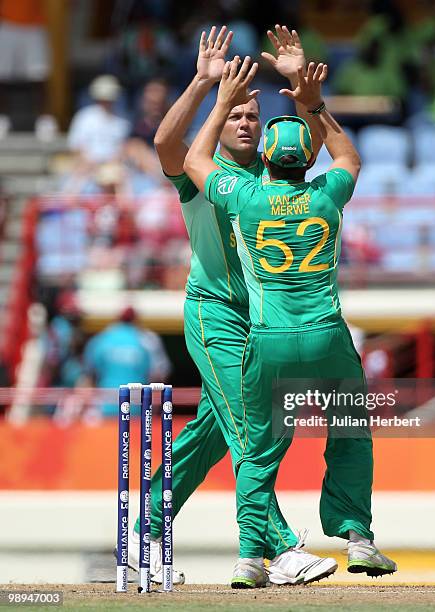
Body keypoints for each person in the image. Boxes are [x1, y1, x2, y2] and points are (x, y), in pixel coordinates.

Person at [128, 25, 336, 587]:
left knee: (215, 431)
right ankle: (283, 548)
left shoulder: (276, 174)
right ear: (220, 128)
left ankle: (144, 516)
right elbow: (167, 146)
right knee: (251, 429)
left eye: (253, 117)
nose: (245, 123)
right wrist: (204, 84)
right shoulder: (203, 174)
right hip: (214, 312)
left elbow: (318, 146)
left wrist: (300, 85)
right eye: (236, 116)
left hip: (265, 323)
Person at [184, 56, 397, 587]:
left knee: (257, 448)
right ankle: (359, 539)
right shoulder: (328, 196)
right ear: (308, 161)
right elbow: (348, 154)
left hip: (268, 340)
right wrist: (312, 101)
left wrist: (219, 104)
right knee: (349, 429)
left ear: (268, 162)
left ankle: (250, 559)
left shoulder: (248, 199)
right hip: (326, 336)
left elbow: (193, 160)